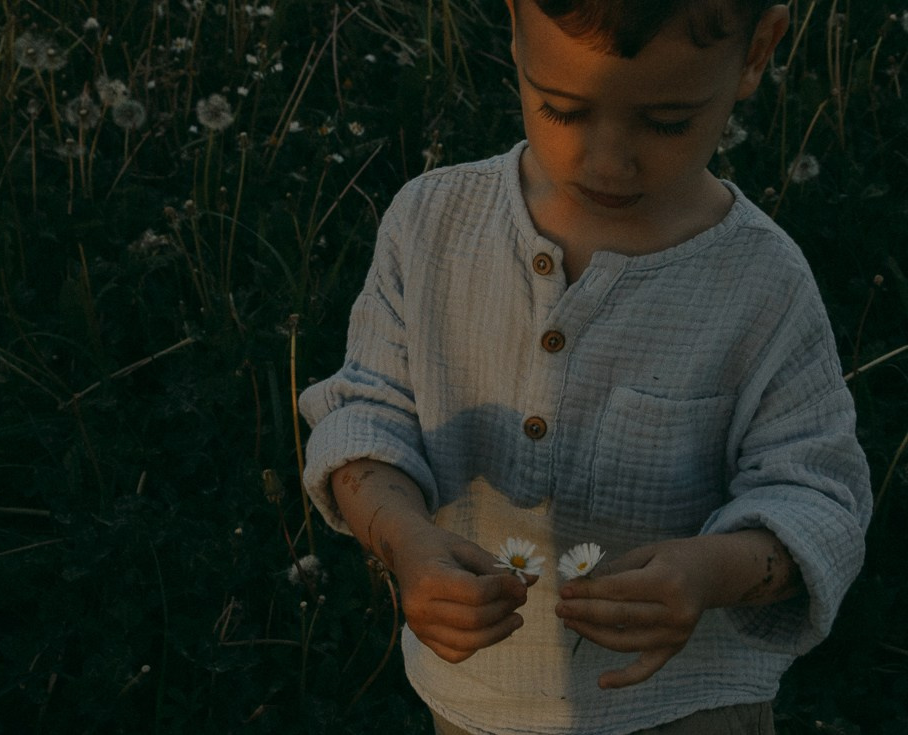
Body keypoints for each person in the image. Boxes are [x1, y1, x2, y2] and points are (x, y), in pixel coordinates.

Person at [298, 0, 873, 732]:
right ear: (514, 28)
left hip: (688, 705)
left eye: (666, 121)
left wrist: (707, 572)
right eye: (563, 109)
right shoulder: (432, 224)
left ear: (758, 50)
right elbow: (366, 415)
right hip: (477, 701)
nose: (608, 160)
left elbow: (819, 499)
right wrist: (406, 542)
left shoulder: (762, 283)